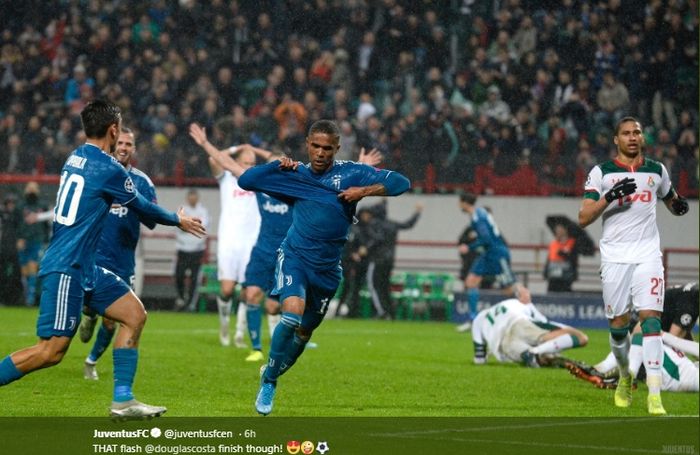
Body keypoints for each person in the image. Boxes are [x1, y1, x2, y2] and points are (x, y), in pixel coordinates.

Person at [0, 100, 206, 419]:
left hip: (86, 266)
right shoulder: (108, 168)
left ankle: (123, 400)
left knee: (134, 315)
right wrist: (177, 220)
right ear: (113, 130)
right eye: (119, 132)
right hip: (67, 266)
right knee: (50, 351)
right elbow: (142, 207)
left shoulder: (76, 157)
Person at [237, 119, 410, 415]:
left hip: (328, 270)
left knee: (304, 334)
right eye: (315, 146)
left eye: (327, 148)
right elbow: (246, 181)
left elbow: (401, 183)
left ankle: (274, 370)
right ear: (307, 144)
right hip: (295, 257)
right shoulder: (296, 175)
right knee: (290, 316)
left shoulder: (352, 172)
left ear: (336, 149)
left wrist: (363, 192)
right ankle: (269, 381)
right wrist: (274, 165)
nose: (320, 153)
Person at [190, 123, 382, 361]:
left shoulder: (300, 189)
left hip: (288, 253)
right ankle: (256, 348)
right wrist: (209, 145)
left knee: (274, 307)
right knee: (251, 296)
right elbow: (232, 166)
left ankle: (283, 344)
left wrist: (361, 169)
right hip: (262, 249)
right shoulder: (267, 186)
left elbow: (335, 192)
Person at [578, 116, 690, 415]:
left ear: (642, 138)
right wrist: (610, 198)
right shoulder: (601, 172)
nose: (631, 137)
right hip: (615, 257)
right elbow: (584, 217)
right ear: (616, 139)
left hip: (648, 256)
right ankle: (625, 376)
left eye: (637, 132)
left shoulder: (656, 170)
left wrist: (679, 206)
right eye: (626, 133)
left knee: (651, 319)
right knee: (618, 327)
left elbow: (671, 200)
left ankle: (655, 395)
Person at [77, 127, 160, 381]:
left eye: (129, 144)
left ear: (134, 149)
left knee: (114, 321)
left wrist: (133, 204)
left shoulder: (142, 183)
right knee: (90, 310)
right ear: (114, 145)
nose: (124, 147)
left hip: (123, 261)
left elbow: (152, 221)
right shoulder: (97, 173)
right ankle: (89, 314)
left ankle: (90, 362)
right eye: (120, 142)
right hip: (94, 257)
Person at [568, 283, 699, 393]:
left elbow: (680, 336)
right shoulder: (691, 303)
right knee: (644, 340)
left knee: (641, 339)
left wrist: (661, 334)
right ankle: (620, 373)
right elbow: (679, 338)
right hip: (677, 377)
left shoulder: (691, 294)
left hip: (641, 314)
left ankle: (609, 370)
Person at [206, 133, 261, 348]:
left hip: (252, 242)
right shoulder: (227, 179)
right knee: (227, 290)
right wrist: (237, 146)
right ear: (236, 163)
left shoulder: (259, 181)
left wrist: (255, 149)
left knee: (248, 290)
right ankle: (224, 326)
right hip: (229, 240)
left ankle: (239, 333)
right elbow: (213, 159)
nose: (249, 166)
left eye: (252, 163)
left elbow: (277, 160)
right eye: (245, 162)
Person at [471, 287, 589, 367]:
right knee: (580, 338)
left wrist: (484, 356)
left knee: (535, 360)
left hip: (504, 346)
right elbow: (544, 323)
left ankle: (537, 354)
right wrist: (572, 332)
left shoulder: (479, 319)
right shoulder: (520, 304)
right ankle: (539, 352)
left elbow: (479, 359)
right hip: (518, 323)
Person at [456, 193, 522, 332]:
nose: (458, 205)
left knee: (509, 289)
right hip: (487, 253)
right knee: (471, 282)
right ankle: (473, 319)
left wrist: (469, 247)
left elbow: (486, 239)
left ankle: (525, 312)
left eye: (459, 202)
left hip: (497, 253)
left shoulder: (477, 217)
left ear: (465, 203)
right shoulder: (481, 213)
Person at [365, 200, 423, 319]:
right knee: (385, 287)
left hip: (377, 259)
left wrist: (367, 248)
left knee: (373, 285)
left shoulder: (374, 224)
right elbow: (408, 225)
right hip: (390, 260)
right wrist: (417, 213)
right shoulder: (391, 224)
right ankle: (390, 311)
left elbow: (377, 239)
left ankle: (381, 311)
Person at [174, 188, 210, 311]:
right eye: (190, 196)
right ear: (187, 198)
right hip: (183, 248)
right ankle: (181, 298)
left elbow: (202, 227)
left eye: (194, 196)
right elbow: (176, 224)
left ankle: (190, 304)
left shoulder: (203, 211)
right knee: (179, 275)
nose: (192, 199)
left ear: (197, 198)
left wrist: (186, 224)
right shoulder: (182, 210)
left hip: (197, 250)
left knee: (195, 278)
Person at [17, 182, 50, 306]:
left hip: (37, 241)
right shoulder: (20, 206)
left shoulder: (42, 205)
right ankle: (27, 295)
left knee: (33, 268)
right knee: (24, 272)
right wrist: (18, 238)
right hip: (23, 242)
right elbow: (16, 224)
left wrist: (46, 240)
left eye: (34, 187)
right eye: (29, 187)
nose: (31, 190)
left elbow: (46, 226)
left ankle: (31, 298)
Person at [0, 194, 24, 305]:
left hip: (12, 249)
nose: (11, 205)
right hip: (5, 248)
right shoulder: (4, 216)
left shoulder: (17, 217)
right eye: (9, 203)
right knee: (4, 273)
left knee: (15, 274)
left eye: (12, 203)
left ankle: (13, 299)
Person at [543, 222, 578, 292]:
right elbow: (549, 259)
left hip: (565, 276)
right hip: (553, 275)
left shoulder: (571, 243)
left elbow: (573, 259)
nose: (558, 232)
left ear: (565, 231)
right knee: (552, 292)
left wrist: (563, 254)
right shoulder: (553, 244)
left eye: (560, 230)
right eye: (557, 231)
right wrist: (545, 272)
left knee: (565, 294)